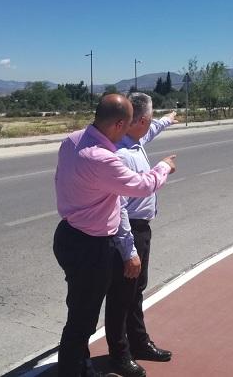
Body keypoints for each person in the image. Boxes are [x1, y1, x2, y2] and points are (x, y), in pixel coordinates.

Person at [53, 93, 177, 377]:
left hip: (70, 234)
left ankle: (77, 365)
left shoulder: (73, 140)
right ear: (121, 124)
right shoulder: (104, 159)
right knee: (83, 318)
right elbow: (143, 186)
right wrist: (164, 167)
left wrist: (166, 121)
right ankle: (74, 370)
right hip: (90, 244)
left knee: (80, 310)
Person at [105, 92, 178, 377]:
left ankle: (139, 342)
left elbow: (152, 130)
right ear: (142, 120)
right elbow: (118, 207)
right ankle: (119, 355)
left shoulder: (135, 141)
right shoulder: (121, 154)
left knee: (136, 291)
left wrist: (168, 120)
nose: (151, 125)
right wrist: (129, 250)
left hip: (141, 229)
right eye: (151, 119)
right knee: (122, 295)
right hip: (129, 231)